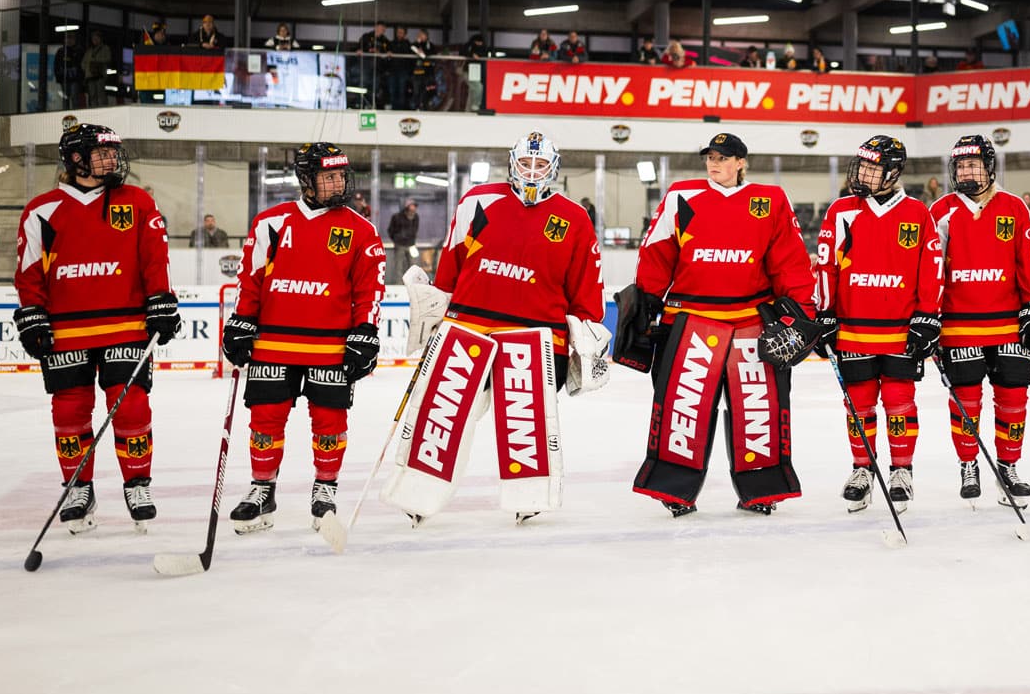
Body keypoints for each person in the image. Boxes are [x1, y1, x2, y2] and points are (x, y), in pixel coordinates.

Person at [388, 131, 605, 524]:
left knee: (526, 421)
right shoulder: (478, 200)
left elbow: (585, 281)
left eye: (540, 165)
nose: (533, 171)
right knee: (444, 412)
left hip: (537, 335)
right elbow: (452, 259)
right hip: (469, 325)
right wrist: (440, 304)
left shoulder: (574, 218)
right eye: (526, 164)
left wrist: (584, 331)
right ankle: (419, 490)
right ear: (512, 163)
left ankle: (529, 493)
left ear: (553, 168)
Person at [628, 133, 817, 515]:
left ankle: (762, 489)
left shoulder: (771, 200)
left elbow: (790, 261)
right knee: (684, 410)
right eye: (710, 157)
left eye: (723, 157)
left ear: (741, 162)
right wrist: (647, 302)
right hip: (690, 319)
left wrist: (800, 310)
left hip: (751, 322)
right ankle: (673, 488)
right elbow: (656, 252)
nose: (714, 164)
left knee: (758, 411)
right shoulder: (682, 196)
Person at [13, 124, 177, 533]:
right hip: (66, 328)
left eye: (111, 152)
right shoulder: (42, 209)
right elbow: (29, 271)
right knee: (69, 411)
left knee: (132, 405)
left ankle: (137, 483)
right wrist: (32, 312)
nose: (111, 159)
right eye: (100, 153)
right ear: (75, 159)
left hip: (126, 324)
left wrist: (161, 299)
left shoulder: (138, 201)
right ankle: (78, 487)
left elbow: (156, 259)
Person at [218, 144, 384, 533]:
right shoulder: (270, 223)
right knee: (265, 419)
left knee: (329, 421)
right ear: (306, 180)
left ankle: (325, 489)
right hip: (273, 343)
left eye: (341, 175)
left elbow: (369, 290)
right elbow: (250, 279)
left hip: (331, 345)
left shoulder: (361, 230)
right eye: (328, 177)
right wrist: (242, 321)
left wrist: (366, 331)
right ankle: (263, 488)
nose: (338, 183)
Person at [816, 136, 942, 511]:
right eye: (863, 165)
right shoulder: (841, 210)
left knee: (900, 403)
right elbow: (826, 265)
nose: (864, 173)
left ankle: (901, 470)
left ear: (893, 172)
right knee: (859, 404)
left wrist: (927, 316)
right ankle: (862, 468)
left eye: (873, 167)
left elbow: (931, 269)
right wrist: (824, 313)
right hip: (853, 329)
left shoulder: (918, 212)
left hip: (901, 330)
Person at [927, 135, 1030, 503]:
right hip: (959, 325)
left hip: (1009, 324)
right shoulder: (941, 210)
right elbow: (931, 272)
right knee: (966, 401)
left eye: (973, 164)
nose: (966, 171)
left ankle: (1008, 466)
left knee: (1013, 398)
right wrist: (928, 317)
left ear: (990, 166)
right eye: (961, 165)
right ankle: (969, 464)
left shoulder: (1014, 207)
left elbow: (1027, 265)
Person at [81, 32, 111, 107]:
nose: (95, 40)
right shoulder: (89, 50)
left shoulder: (105, 48)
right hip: (90, 76)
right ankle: (94, 110)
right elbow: (83, 63)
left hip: (100, 75)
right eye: (93, 39)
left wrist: (97, 62)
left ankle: (102, 109)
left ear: (100, 39)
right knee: (92, 95)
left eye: (97, 38)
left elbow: (108, 59)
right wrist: (87, 69)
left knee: (100, 95)